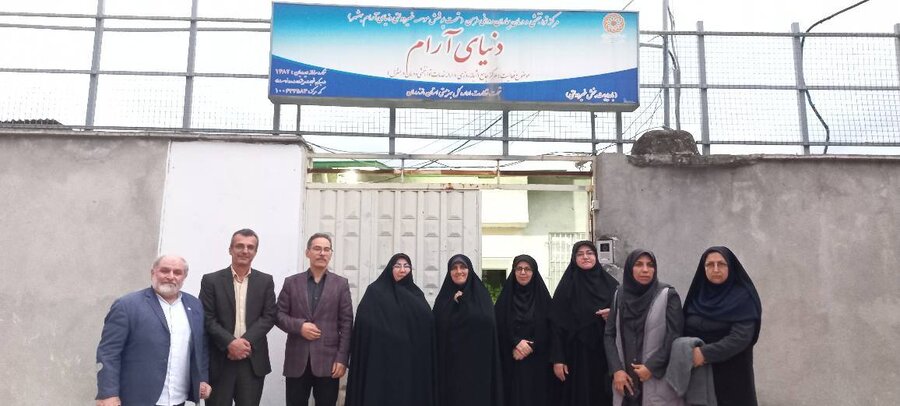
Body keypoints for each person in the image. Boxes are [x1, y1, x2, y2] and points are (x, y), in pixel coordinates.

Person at [96, 255, 212, 406]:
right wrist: (108, 393)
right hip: (137, 399)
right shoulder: (127, 305)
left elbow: (201, 346)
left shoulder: (195, 305)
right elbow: (108, 352)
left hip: (178, 399)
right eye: (165, 270)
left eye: (177, 272)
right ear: (153, 273)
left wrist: (201, 379)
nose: (171, 276)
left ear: (184, 277)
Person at [345, 253, 436, 406]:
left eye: (406, 266)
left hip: (409, 364)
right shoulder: (374, 292)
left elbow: (427, 325)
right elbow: (364, 325)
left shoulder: (417, 295)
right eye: (397, 266)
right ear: (390, 268)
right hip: (380, 361)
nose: (402, 270)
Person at [199, 228, 277, 406]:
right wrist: (230, 343)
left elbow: (269, 316)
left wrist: (243, 343)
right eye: (239, 246)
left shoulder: (265, 281)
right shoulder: (211, 281)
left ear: (255, 252)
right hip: (220, 359)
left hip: (252, 360)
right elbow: (207, 317)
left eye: (250, 247)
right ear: (230, 249)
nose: (245, 251)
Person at [276, 233, 353, 406]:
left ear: (331, 254)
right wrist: (299, 326)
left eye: (326, 249)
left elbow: (347, 324)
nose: (322, 253)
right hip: (297, 360)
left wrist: (342, 358)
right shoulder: (291, 283)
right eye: (317, 248)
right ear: (307, 252)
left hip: (329, 361)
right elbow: (278, 315)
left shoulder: (340, 284)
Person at [683, 246, 762, 406]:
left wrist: (704, 354)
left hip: (732, 375)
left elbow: (740, 338)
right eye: (710, 265)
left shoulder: (742, 297)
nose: (716, 269)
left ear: (730, 267)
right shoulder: (697, 294)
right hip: (699, 377)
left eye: (721, 264)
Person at [604, 249, 684, 406]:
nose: (645, 270)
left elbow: (674, 336)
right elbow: (609, 334)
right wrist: (616, 370)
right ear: (630, 268)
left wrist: (651, 367)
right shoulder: (619, 295)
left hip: (655, 377)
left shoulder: (668, 295)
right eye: (639, 264)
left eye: (650, 265)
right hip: (625, 380)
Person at [549, 240, 619, 406]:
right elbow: (556, 325)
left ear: (596, 256)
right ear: (574, 259)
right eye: (580, 254)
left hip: (604, 354)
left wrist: (613, 314)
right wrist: (558, 359)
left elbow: (626, 315)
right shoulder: (566, 287)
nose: (585, 257)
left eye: (590, 253)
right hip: (575, 356)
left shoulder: (612, 286)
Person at [433, 254, 504, 406]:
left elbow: (487, 324)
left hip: (478, 366)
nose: (459, 271)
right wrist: (452, 303)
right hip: (451, 367)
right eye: (454, 268)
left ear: (469, 270)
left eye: (463, 267)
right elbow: (437, 327)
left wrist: (465, 304)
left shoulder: (482, 296)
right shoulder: (443, 300)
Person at [493, 254, 556, 406]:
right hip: (511, 359)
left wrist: (532, 346)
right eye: (519, 268)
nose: (523, 272)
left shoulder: (543, 299)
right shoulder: (505, 300)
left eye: (527, 269)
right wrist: (515, 342)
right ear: (514, 271)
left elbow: (551, 327)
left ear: (534, 272)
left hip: (538, 362)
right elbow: (497, 326)